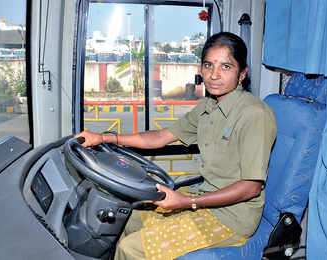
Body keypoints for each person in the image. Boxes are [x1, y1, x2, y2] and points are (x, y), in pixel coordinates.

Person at [76, 32, 276, 260]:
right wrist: (104, 138)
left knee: (131, 249)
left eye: (226, 67)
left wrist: (186, 201)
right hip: (204, 195)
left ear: (242, 74)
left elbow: (251, 187)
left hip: (232, 217)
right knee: (131, 217)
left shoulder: (254, 114)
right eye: (208, 65)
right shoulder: (208, 106)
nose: (214, 75)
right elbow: (160, 137)